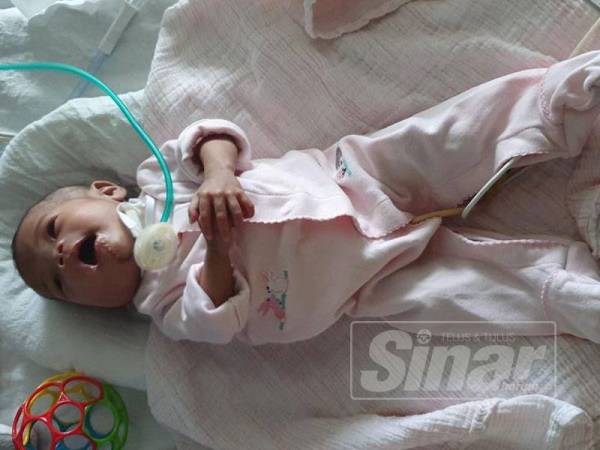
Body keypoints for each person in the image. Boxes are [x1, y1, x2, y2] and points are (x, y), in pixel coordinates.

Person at [12, 51, 600, 345]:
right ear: (103, 307)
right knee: (484, 292)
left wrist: (218, 173)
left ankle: (565, 100)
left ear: (105, 191)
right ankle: (577, 293)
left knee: (457, 133)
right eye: (59, 281)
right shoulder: (164, 306)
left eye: (53, 230)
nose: (61, 255)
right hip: (360, 283)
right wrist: (216, 250)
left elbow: (210, 135)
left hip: (353, 177)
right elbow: (216, 317)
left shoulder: (159, 179)